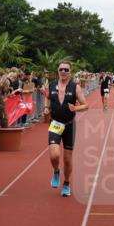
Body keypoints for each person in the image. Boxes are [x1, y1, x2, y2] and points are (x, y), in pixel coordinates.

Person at [43, 61, 89, 197]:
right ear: (58, 71)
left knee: (68, 160)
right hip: (55, 124)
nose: (63, 71)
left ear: (70, 72)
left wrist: (76, 108)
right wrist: (46, 107)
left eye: (66, 70)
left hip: (69, 125)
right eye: (61, 69)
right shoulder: (51, 85)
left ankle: (67, 183)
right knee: (54, 155)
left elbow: (85, 105)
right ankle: (56, 171)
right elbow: (47, 98)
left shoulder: (75, 87)